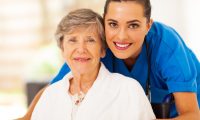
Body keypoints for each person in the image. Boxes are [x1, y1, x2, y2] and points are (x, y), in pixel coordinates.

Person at [19, 0, 200, 119]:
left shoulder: (166, 47)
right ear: (104, 21)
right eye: (113, 24)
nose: (121, 36)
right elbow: (56, 87)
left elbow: (192, 114)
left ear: (148, 25)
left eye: (133, 25)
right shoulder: (95, 46)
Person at [31, 8, 155, 120]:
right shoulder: (50, 95)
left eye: (90, 40)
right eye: (72, 40)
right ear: (63, 50)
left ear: (102, 50)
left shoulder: (128, 90)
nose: (81, 49)